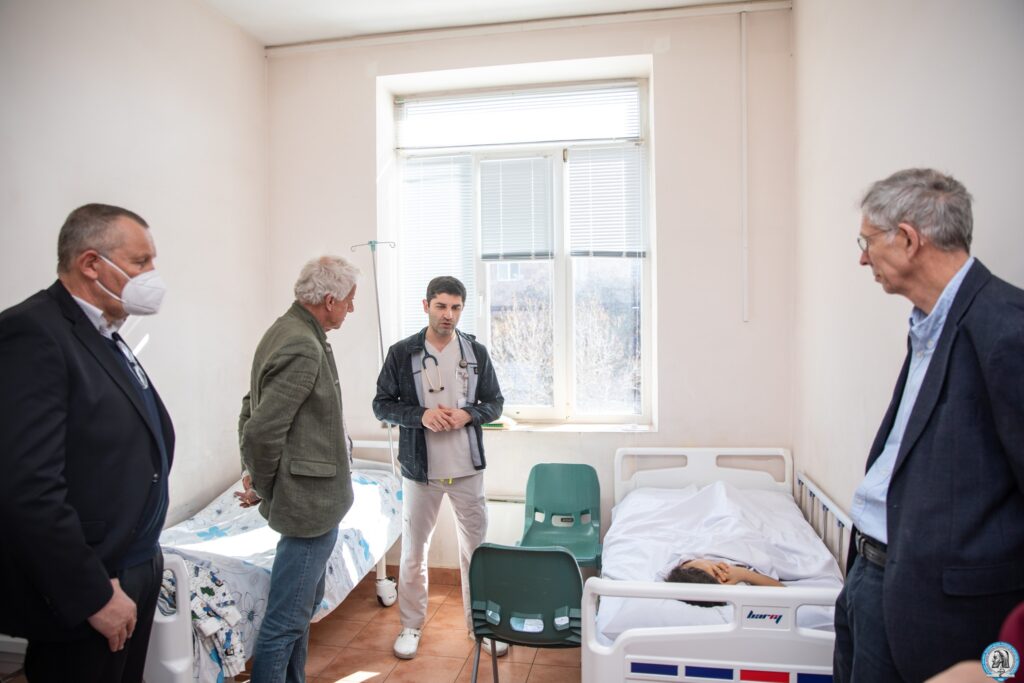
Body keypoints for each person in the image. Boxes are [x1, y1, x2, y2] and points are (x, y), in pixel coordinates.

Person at [835, 169, 1024, 682]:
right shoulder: (929, 325)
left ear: (908, 239)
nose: (862, 258)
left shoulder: (1006, 327)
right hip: (872, 573)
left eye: (867, 241)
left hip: (942, 610)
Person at [0, 203, 174, 683]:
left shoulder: (106, 334)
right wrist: (92, 593)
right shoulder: (34, 332)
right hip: (95, 578)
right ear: (92, 264)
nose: (152, 275)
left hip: (135, 561)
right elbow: (27, 487)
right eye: (140, 262)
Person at [238, 255, 359, 683]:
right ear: (329, 300)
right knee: (286, 621)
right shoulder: (302, 345)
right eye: (349, 300)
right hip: (308, 507)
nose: (352, 308)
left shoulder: (287, 330)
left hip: (314, 502)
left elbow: (250, 409)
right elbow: (260, 430)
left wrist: (252, 473)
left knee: (300, 611)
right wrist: (263, 484)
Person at [373, 276, 504, 660]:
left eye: (456, 307)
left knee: (476, 552)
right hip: (421, 471)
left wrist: (468, 414)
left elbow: (495, 403)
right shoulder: (402, 354)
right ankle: (411, 626)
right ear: (426, 305)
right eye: (441, 306)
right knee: (414, 552)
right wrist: (421, 416)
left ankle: (480, 627)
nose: (448, 314)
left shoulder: (476, 352)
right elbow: (382, 405)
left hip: (467, 469)